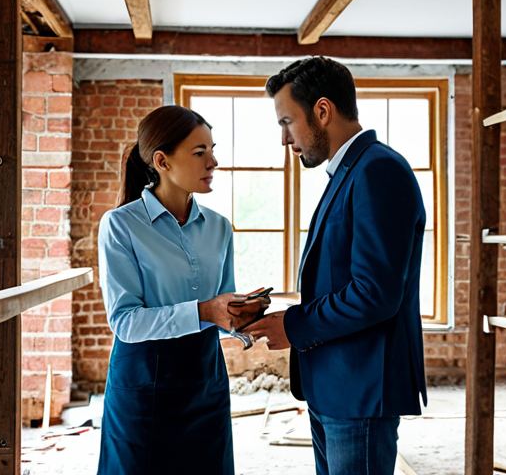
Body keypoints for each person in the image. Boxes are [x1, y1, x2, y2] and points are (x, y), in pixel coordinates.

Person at [241, 57, 428, 474]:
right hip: (335, 385)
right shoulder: (349, 170)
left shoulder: (378, 170)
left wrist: (294, 324)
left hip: (360, 389)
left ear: (322, 111)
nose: (284, 139)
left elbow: (374, 293)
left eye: (287, 122)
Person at [96, 105, 267, 475]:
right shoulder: (120, 226)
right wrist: (205, 311)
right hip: (143, 385)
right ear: (162, 161)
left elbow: (222, 310)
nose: (214, 161)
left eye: (213, 149)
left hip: (205, 381)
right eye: (200, 152)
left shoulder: (220, 227)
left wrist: (241, 315)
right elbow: (125, 322)